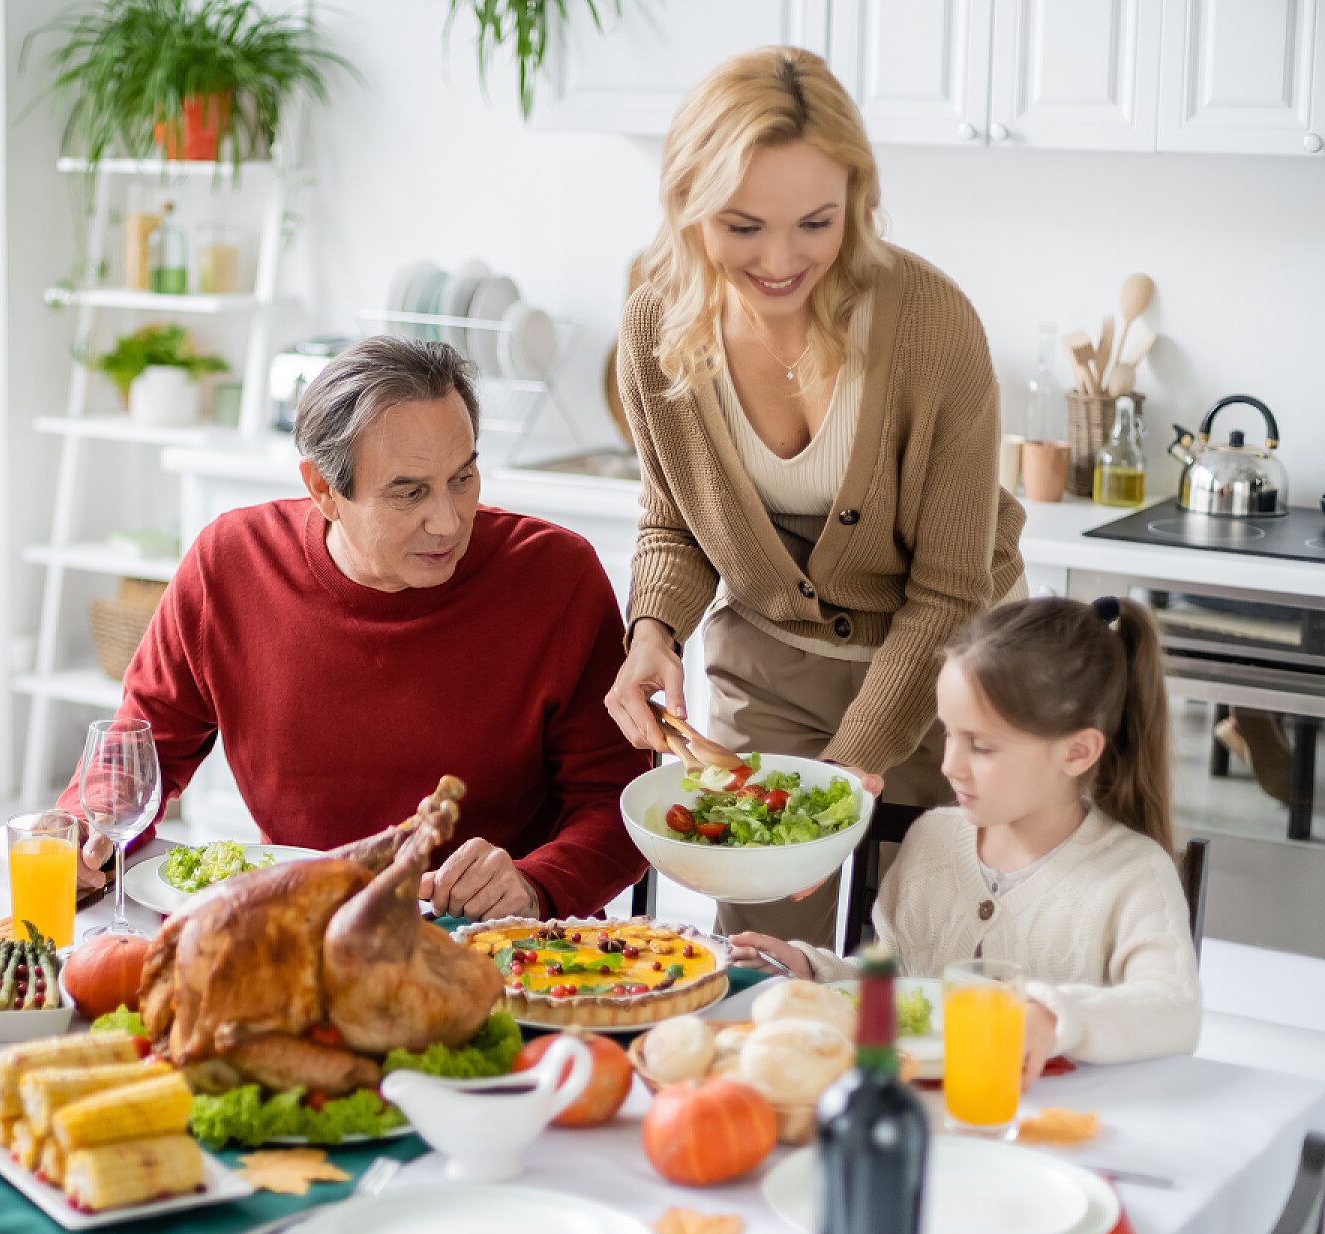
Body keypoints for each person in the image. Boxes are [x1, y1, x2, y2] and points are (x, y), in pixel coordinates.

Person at [605, 47, 1025, 947]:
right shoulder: (654, 327)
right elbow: (674, 520)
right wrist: (653, 633)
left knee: (916, 964)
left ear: (857, 201)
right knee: (760, 957)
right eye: (742, 226)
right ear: (687, 205)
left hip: (950, 673)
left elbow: (953, 590)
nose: (781, 260)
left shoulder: (931, 327)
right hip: (771, 670)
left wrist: (846, 776)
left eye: (816, 223)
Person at [59, 336, 651, 921]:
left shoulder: (556, 576)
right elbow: (140, 747)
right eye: (409, 492)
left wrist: (533, 882)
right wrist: (94, 829)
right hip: (297, 929)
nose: (447, 520)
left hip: (500, 944)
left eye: (463, 478)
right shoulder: (230, 562)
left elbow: (619, 806)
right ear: (323, 489)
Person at [732, 596, 1201, 1084]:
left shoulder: (1134, 874)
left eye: (981, 746)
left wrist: (1055, 1017)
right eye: (949, 735)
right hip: (916, 1116)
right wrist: (813, 973)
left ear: (1077, 752)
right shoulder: (931, 840)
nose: (950, 765)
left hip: (1049, 1135)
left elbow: (1173, 1010)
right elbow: (904, 990)